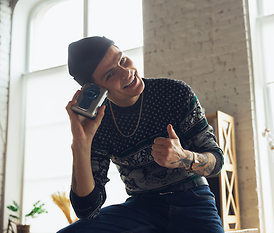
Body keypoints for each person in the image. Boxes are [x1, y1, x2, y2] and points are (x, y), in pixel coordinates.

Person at [57, 36, 225, 233]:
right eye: (111, 74)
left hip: (193, 200)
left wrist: (184, 158)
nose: (126, 72)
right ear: (94, 89)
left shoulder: (175, 93)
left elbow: (217, 161)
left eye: (122, 60)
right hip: (141, 209)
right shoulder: (98, 122)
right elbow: (87, 210)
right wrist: (80, 143)